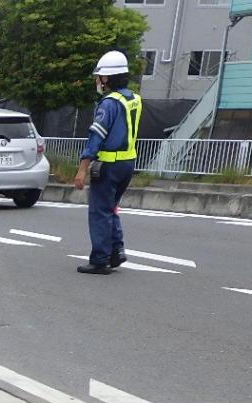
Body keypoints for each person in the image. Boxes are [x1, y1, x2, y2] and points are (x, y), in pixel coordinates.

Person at [73, 51, 143, 275]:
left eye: (100, 77)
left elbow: (97, 136)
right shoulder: (133, 99)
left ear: (107, 78)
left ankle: (100, 259)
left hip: (109, 164)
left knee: (100, 211)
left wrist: (82, 169)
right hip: (128, 163)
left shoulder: (109, 103)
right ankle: (117, 250)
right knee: (111, 208)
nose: (98, 81)